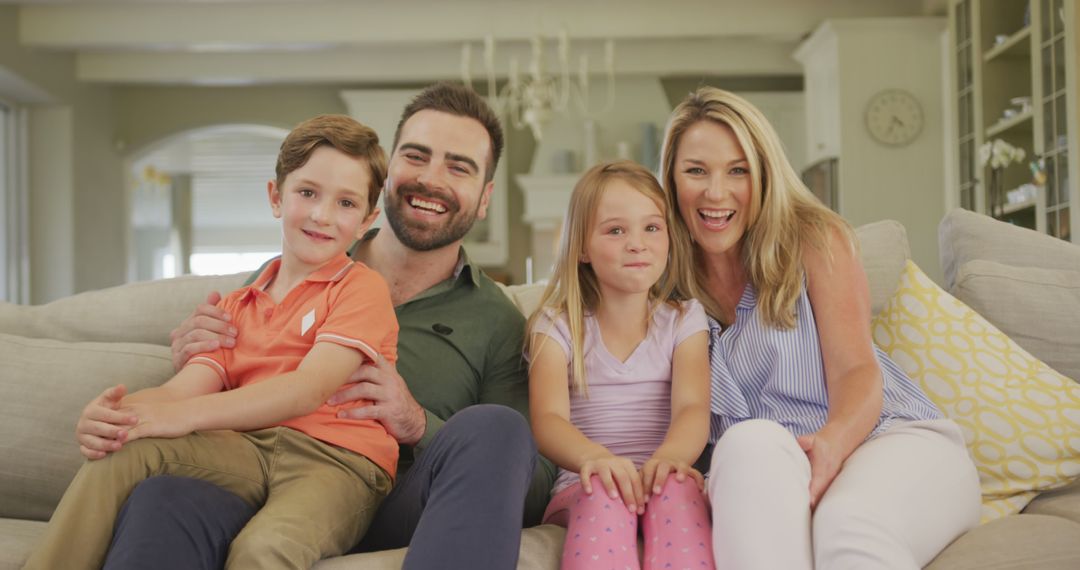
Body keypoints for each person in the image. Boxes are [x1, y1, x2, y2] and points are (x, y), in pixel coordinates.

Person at [92, 83, 555, 570]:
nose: (430, 179)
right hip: (270, 480)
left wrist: (417, 423)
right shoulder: (292, 269)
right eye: (416, 157)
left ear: (484, 199)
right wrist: (197, 359)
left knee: (497, 426)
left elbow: (535, 481)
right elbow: (228, 373)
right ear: (388, 170)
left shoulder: (497, 318)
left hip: (398, 502)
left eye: (458, 167)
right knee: (162, 497)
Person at [25, 114, 399, 569]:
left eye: (345, 203)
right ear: (275, 197)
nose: (322, 215)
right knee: (125, 446)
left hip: (337, 462)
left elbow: (307, 390)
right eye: (307, 193)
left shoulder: (360, 288)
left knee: (263, 548)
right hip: (245, 450)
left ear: (367, 220)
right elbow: (182, 388)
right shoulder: (234, 306)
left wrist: (177, 418)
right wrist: (116, 417)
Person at [660, 86, 981, 569]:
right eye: (696, 171)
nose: (716, 192)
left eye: (738, 170)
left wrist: (831, 445)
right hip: (769, 466)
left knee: (847, 526)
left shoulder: (813, 239)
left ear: (764, 175)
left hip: (884, 440)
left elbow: (857, 370)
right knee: (746, 441)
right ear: (671, 180)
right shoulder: (659, 287)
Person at [528, 161, 715, 570]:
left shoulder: (685, 319)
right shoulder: (556, 325)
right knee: (606, 493)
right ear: (581, 247)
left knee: (678, 491)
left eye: (651, 228)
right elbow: (548, 420)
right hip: (585, 482)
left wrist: (667, 460)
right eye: (616, 230)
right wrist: (596, 459)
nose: (637, 244)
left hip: (663, 473)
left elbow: (692, 408)